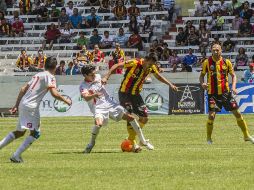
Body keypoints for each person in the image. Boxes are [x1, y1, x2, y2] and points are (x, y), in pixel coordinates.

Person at [0, 57, 71, 163]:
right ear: (55, 67)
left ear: (45, 65)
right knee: (35, 133)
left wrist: (16, 105)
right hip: (31, 107)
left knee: (20, 132)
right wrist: (66, 100)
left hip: (24, 104)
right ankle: (16, 156)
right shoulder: (50, 76)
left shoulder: (37, 75)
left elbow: (23, 89)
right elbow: (54, 93)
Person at [102, 53, 178, 149]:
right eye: (150, 64)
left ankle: (131, 139)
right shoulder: (134, 62)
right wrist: (106, 77)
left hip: (136, 95)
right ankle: (133, 143)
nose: (150, 67)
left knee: (144, 118)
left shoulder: (151, 67)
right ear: (146, 59)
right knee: (131, 116)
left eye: (152, 65)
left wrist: (170, 84)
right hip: (124, 93)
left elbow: (158, 76)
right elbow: (116, 65)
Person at [80, 64, 154, 153]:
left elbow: (109, 73)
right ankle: (91, 143)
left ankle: (143, 141)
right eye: (91, 75)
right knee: (98, 124)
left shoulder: (98, 76)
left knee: (131, 117)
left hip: (110, 103)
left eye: (94, 73)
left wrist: (105, 78)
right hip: (98, 107)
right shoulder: (83, 86)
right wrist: (94, 95)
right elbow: (86, 98)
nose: (94, 76)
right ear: (85, 75)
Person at [199, 43, 254, 145]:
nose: (215, 51)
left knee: (237, 113)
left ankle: (246, 136)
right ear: (211, 50)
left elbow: (233, 76)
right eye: (214, 50)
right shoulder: (207, 62)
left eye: (217, 50)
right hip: (213, 94)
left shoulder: (226, 62)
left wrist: (233, 87)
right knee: (211, 116)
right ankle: (208, 139)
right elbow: (201, 75)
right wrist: (202, 83)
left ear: (221, 51)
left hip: (226, 94)